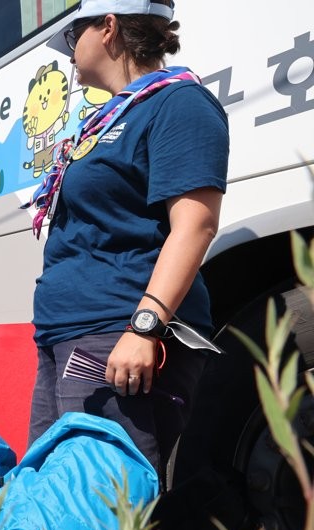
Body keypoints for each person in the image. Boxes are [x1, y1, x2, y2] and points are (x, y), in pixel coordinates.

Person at [28, 0, 229, 475]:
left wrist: (144, 327)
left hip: (116, 335)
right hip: (66, 333)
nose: (69, 53)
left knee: (106, 513)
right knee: (55, 503)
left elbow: (195, 224)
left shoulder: (179, 103)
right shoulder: (107, 120)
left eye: (74, 36)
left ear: (110, 27)